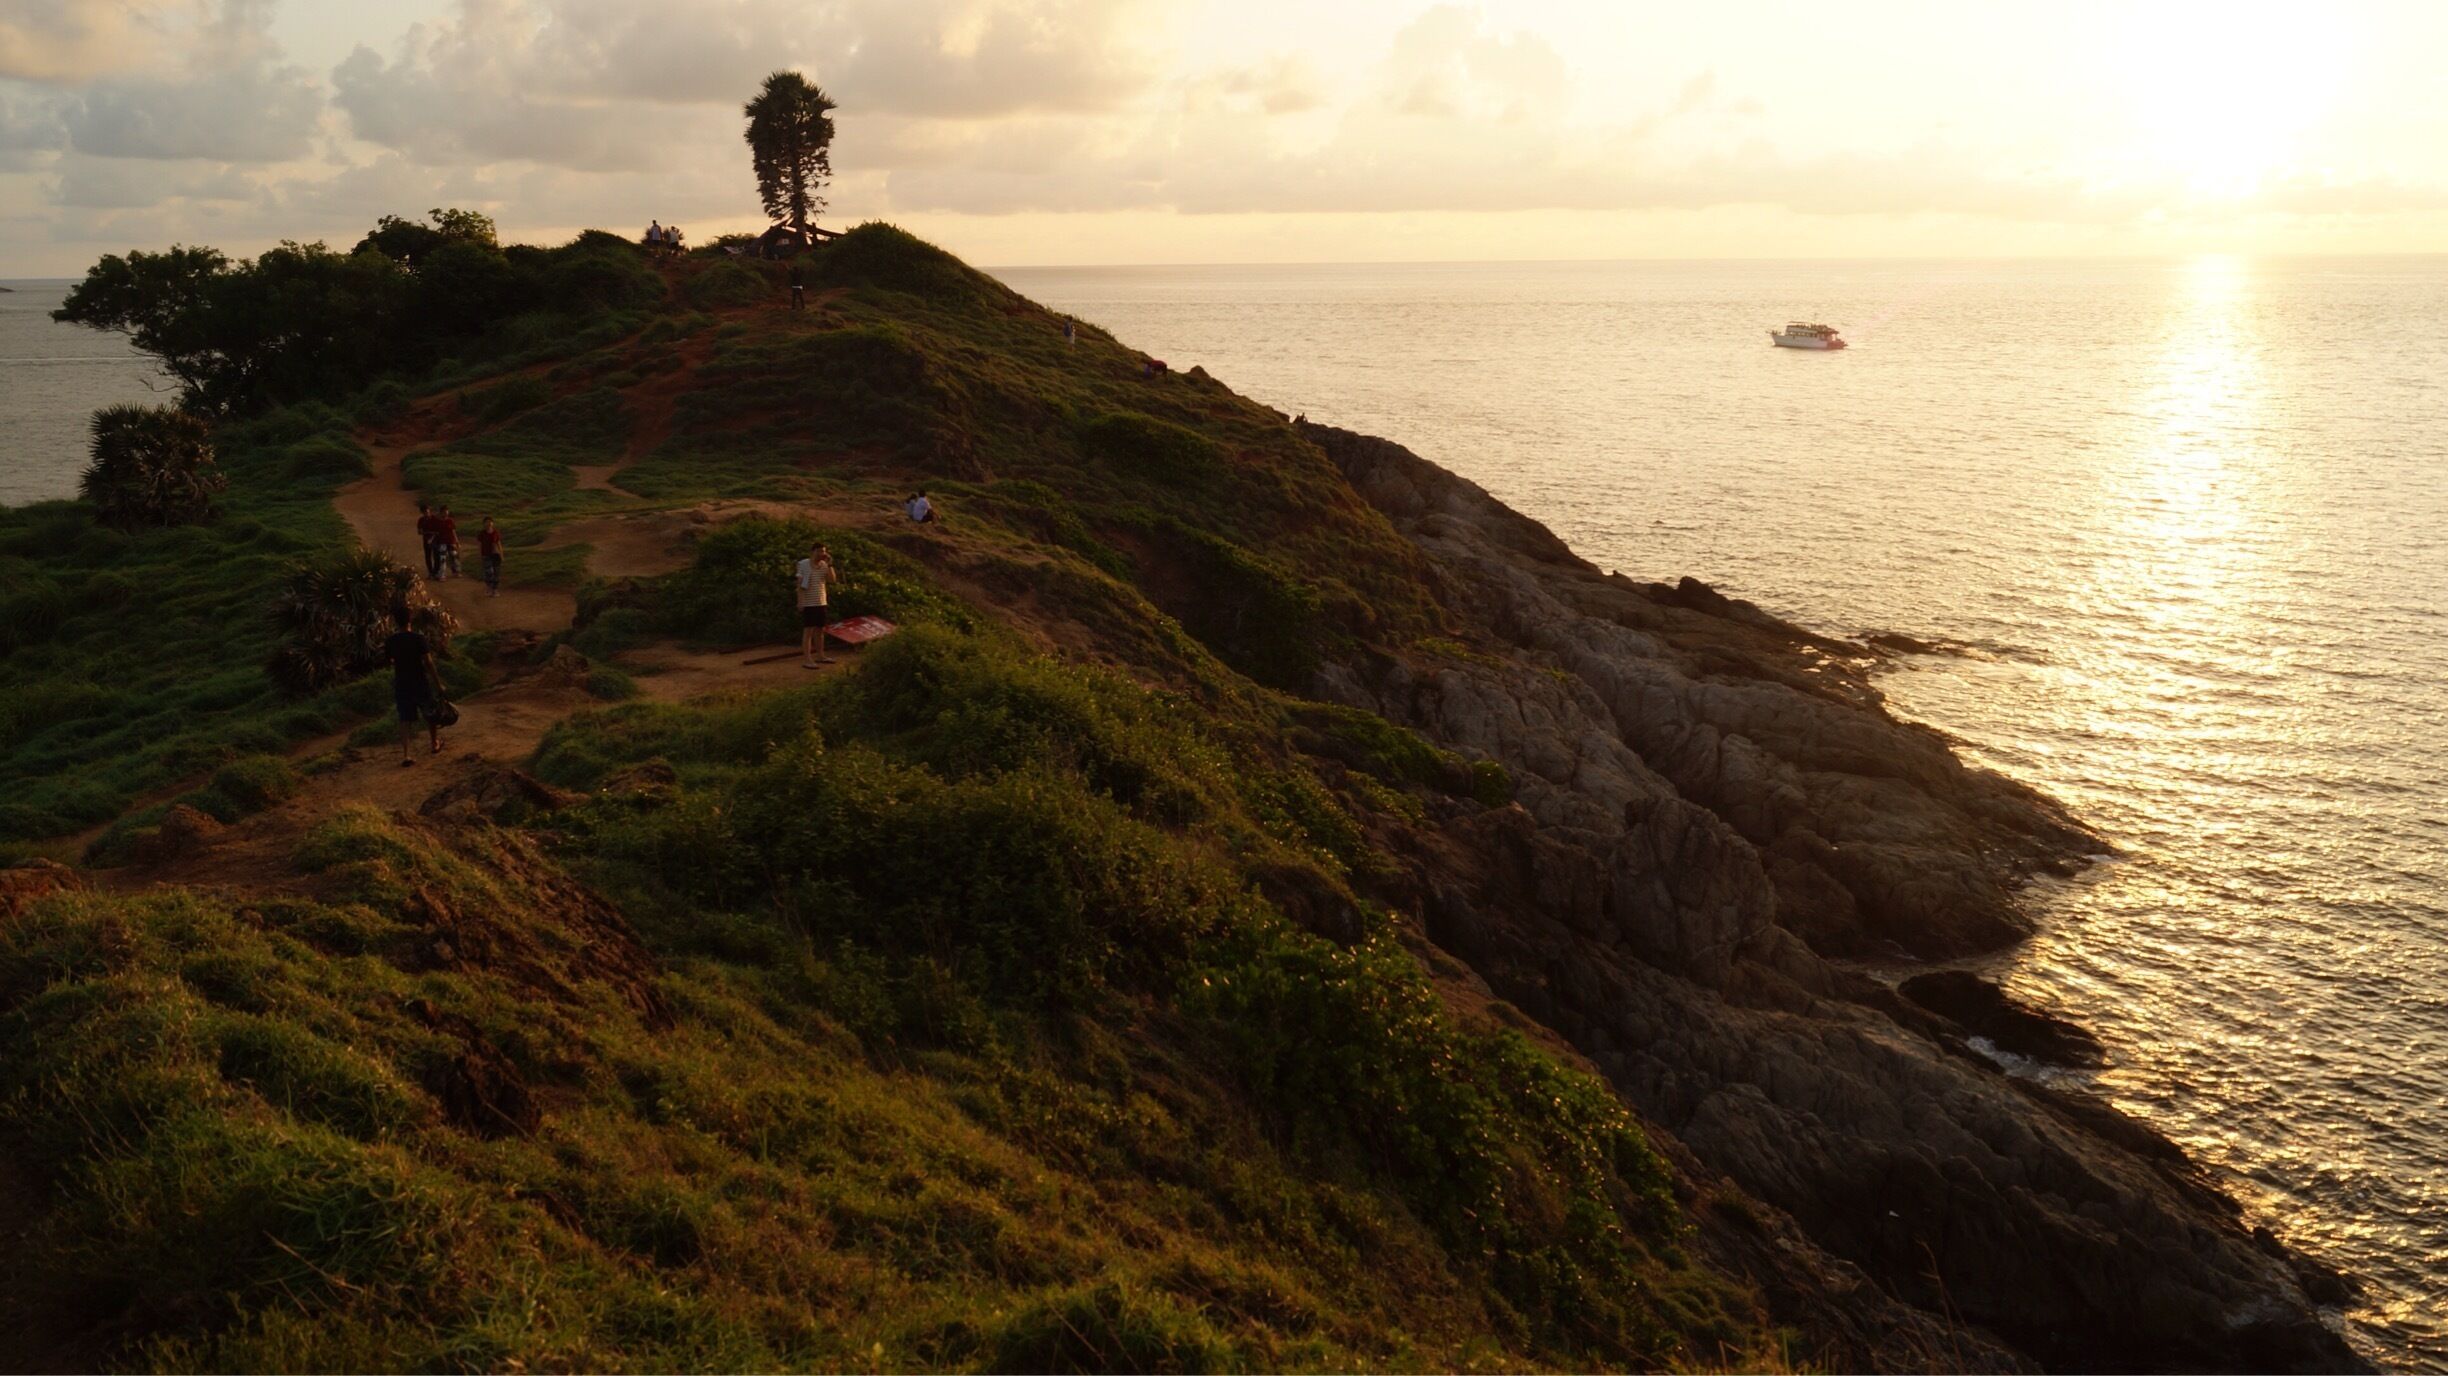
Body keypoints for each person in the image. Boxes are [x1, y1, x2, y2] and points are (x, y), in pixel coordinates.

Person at [387, 603, 445, 765]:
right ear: (410, 620)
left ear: (395, 621)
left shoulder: (391, 641)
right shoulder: (418, 639)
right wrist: (438, 683)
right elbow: (428, 662)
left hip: (402, 682)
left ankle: (406, 755)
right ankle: (434, 744)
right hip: (419, 680)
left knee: (404, 719)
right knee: (430, 712)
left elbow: (390, 660)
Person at [794, 542, 837, 667]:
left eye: (823, 551)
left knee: (820, 630)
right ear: (813, 552)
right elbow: (800, 585)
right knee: (808, 631)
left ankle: (820, 655)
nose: (822, 554)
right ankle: (808, 659)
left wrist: (830, 565)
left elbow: (832, 580)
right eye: (819, 551)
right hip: (808, 602)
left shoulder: (824, 565)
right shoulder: (803, 564)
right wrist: (800, 602)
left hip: (821, 601)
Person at [477, 516, 504, 596]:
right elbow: (480, 545)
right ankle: (489, 587)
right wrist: (479, 555)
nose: (489, 524)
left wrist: (501, 554)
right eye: (487, 522)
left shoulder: (495, 532)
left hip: (495, 555)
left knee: (496, 573)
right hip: (486, 555)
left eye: (490, 522)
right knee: (489, 572)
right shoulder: (482, 534)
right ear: (484, 524)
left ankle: (495, 589)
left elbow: (499, 544)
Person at [414, 503, 441, 578]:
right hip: (427, 539)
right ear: (422, 512)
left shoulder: (435, 519)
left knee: (436, 556)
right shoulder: (421, 520)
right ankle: (431, 572)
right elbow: (419, 532)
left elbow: (438, 531)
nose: (427, 514)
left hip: (434, 540)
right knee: (428, 556)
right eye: (425, 512)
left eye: (427, 512)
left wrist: (427, 532)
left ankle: (435, 571)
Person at [435, 505, 461, 579]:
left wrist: (457, 541)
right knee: (443, 558)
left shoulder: (450, 521)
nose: (446, 514)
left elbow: (453, 531)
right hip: (442, 542)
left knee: (454, 556)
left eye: (447, 512)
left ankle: (456, 571)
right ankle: (442, 574)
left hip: (451, 541)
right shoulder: (438, 522)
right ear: (441, 513)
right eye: (444, 512)